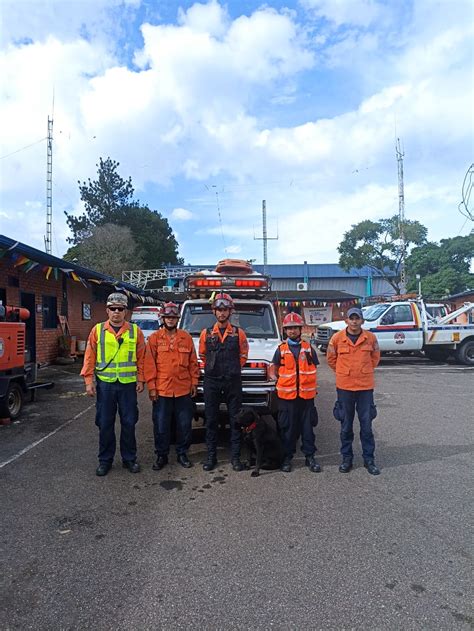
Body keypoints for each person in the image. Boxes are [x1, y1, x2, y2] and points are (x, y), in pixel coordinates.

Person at [81, 292, 146, 476]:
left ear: (126, 311)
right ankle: (105, 460)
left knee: (129, 423)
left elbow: (142, 359)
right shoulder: (97, 330)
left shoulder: (135, 331)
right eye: (112, 309)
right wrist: (88, 381)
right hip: (106, 385)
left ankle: (129, 459)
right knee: (105, 423)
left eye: (120, 309)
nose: (116, 312)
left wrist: (141, 379)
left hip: (127, 385)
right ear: (107, 310)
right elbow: (89, 357)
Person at [144, 302, 199, 470]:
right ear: (163, 319)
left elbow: (193, 363)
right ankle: (162, 455)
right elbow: (149, 364)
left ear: (177, 319)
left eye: (173, 317)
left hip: (183, 389)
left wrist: (194, 382)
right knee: (161, 425)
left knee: (184, 424)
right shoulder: (154, 339)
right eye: (168, 317)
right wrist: (152, 387)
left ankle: (182, 453)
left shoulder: (186, 337)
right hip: (162, 390)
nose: (170, 320)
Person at [326, 306, 381, 475]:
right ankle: (346, 459)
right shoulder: (337, 338)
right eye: (352, 318)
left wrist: (362, 372)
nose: (354, 321)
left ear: (362, 321)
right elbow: (331, 359)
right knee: (346, 425)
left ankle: (369, 460)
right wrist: (344, 372)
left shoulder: (370, 338)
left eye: (357, 318)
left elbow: (375, 358)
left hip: (365, 387)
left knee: (366, 426)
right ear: (346, 320)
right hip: (345, 387)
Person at [199, 293, 249, 472]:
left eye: (225, 310)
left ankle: (235, 458)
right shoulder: (206, 333)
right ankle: (211, 457)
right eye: (219, 310)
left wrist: (233, 368)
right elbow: (202, 355)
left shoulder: (238, 333)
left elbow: (243, 355)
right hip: (212, 381)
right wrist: (213, 369)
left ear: (230, 311)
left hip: (232, 381)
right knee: (211, 420)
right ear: (214, 311)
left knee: (235, 420)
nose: (221, 313)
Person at [272, 312, 321, 473]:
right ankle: (287, 458)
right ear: (285, 331)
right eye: (289, 328)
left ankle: (310, 457)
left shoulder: (308, 348)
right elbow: (275, 370)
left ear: (300, 329)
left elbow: (314, 368)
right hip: (287, 398)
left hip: (306, 398)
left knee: (307, 429)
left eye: (295, 328)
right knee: (288, 429)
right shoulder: (280, 350)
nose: (292, 331)